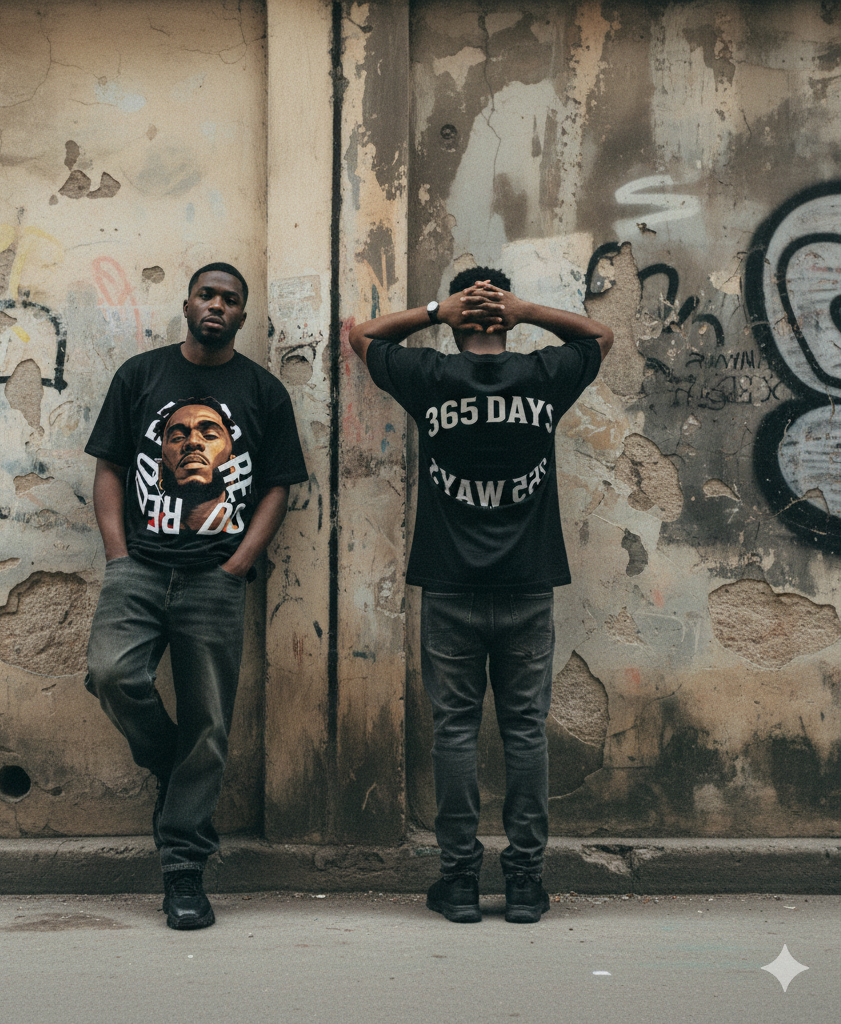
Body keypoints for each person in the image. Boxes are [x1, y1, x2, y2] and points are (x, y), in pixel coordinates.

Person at [348, 267, 613, 924]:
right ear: (503, 316)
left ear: (465, 317)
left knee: (456, 733)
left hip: (451, 587)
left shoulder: (431, 380)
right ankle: (525, 885)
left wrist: (439, 310)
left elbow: (362, 336)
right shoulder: (542, 378)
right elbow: (601, 335)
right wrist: (526, 311)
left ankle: (460, 883)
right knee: (525, 733)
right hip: (527, 586)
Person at [84, 262, 307, 930]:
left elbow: (278, 485)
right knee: (111, 674)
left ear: (242, 315)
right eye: (207, 294)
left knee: (210, 722)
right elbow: (110, 469)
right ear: (187, 303)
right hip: (140, 570)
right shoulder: (141, 376)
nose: (216, 305)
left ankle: (184, 872)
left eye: (230, 300)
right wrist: (118, 554)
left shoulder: (262, 391)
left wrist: (240, 562)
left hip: (216, 578)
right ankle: (171, 764)